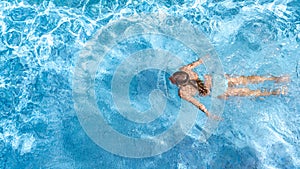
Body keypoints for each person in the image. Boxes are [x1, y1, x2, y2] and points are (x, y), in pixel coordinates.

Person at [169, 55, 289, 120]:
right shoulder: (184, 69)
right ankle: (276, 79)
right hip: (218, 79)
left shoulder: (183, 92)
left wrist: (208, 114)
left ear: (180, 84)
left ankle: (276, 92)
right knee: (248, 79)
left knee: (248, 92)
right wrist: (206, 57)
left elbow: (199, 105)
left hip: (218, 91)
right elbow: (200, 61)